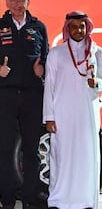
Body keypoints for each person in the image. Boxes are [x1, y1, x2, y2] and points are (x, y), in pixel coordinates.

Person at [0, 0, 49, 209]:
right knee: (4, 149)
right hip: (5, 96)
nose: (17, 4)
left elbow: (47, 58)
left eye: (21, 0)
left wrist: (43, 71)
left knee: (31, 150)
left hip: (32, 96)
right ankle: (8, 199)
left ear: (28, 2)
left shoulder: (39, 27)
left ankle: (30, 199)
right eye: (13, 0)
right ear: (6, 3)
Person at [43, 11, 102, 209]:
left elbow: (100, 83)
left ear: (87, 28)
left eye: (82, 26)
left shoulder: (97, 52)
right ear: (67, 29)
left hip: (88, 114)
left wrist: (97, 84)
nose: (79, 30)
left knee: (87, 155)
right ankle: (60, 199)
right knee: (63, 156)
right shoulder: (56, 53)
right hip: (62, 114)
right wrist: (49, 117)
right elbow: (49, 88)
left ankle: (86, 199)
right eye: (74, 27)